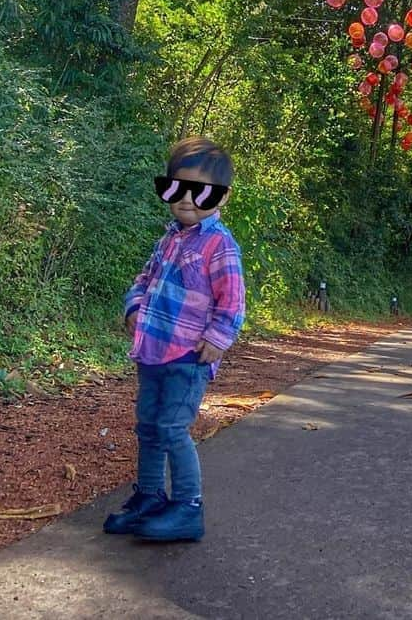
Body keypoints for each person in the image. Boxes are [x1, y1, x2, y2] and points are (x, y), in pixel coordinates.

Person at [103, 138, 245, 543]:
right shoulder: (168, 239)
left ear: (222, 196)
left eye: (200, 192)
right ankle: (149, 495)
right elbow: (144, 280)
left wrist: (218, 339)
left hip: (189, 357)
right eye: (177, 188)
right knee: (148, 426)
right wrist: (133, 308)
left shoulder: (219, 246)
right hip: (153, 352)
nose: (187, 200)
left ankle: (187, 506)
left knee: (172, 428)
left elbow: (232, 301)